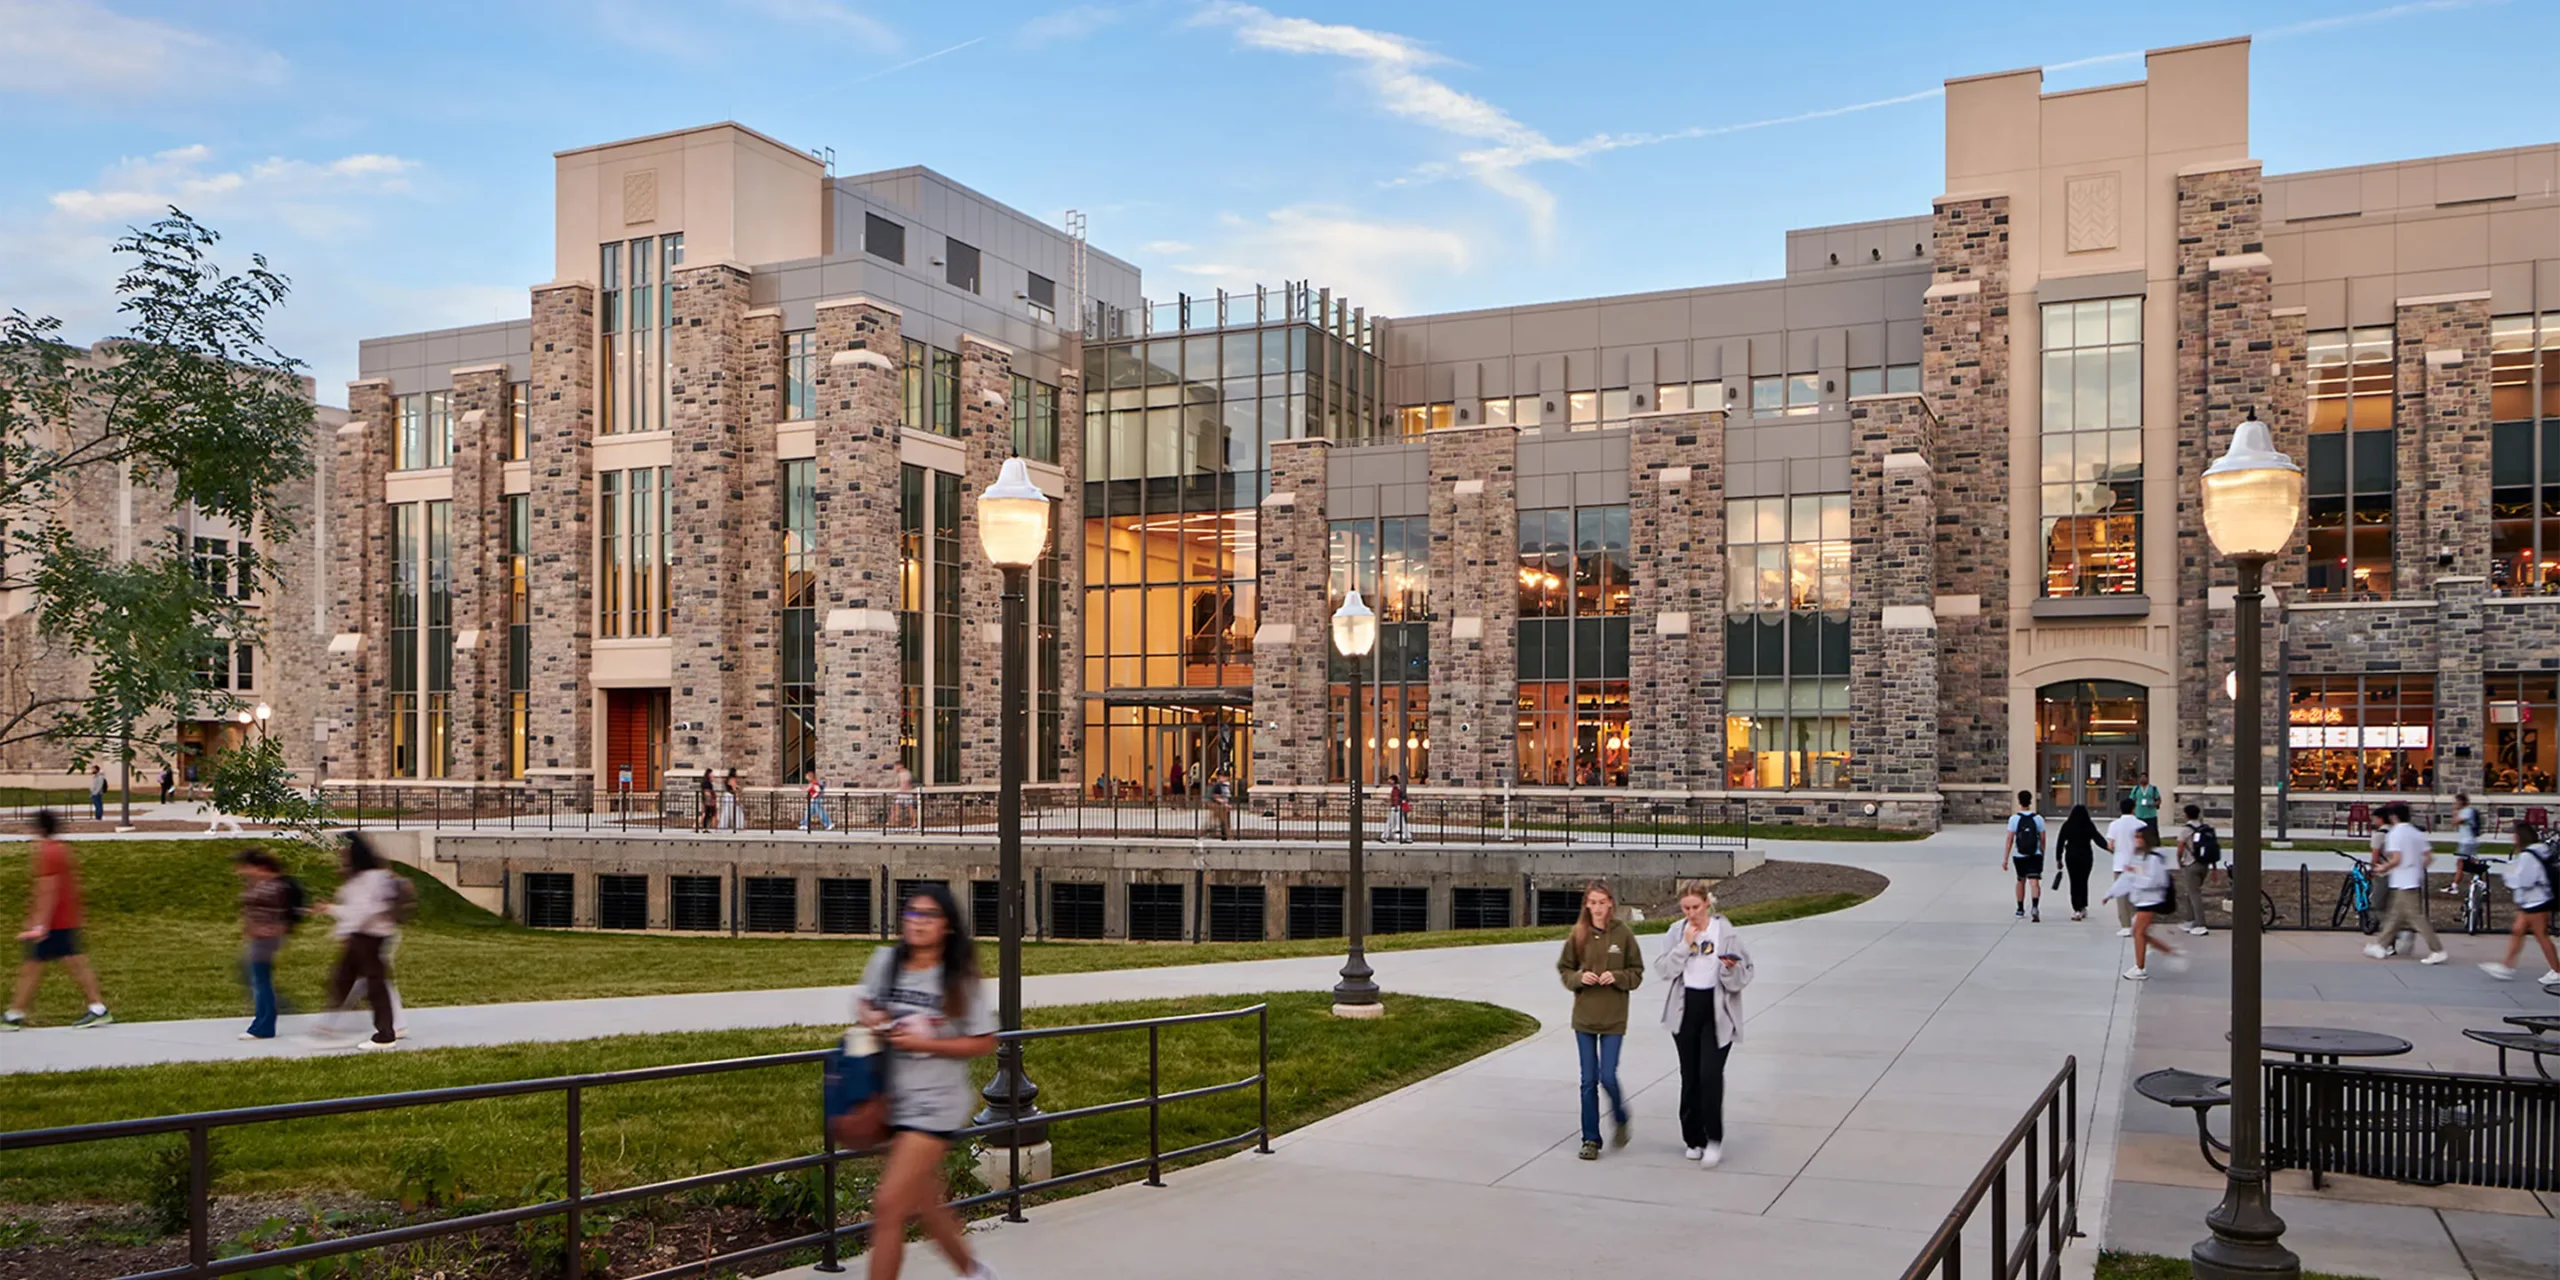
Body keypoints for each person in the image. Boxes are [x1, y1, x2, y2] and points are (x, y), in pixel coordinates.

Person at [852, 883, 999, 1280]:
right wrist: (873, 1018)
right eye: (911, 913)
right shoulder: (888, 963)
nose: (916, 922)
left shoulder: (958, 980)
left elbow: (985, 1042)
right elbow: (865, 1001)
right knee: (928, 1207)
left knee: (887, 1206)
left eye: (928, 915)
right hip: (891, 1101)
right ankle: (976, 1273)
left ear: (947, 926)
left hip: (936, 1106)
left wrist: (925, 1042)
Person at [1653, 880, 1753, 1167]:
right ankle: (1692, 1138)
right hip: (1685, 1010)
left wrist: (1728, 969)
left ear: (1707, 903)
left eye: (1695, 907)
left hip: (1717, 1011)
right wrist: (1685, 945)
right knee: (1690, 1076)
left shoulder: (1727, 933)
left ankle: (1714, 1139)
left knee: (1710, 1075)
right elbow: (1664, 969)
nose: (1691, 913)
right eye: (1685, 908)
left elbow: (1745, 974)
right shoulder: (1676, 932)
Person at [1555, 880, 1641, 1160]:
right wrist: (1579, 978)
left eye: (1602, 902)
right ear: (1587, 905)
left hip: (1614, 1017)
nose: (1598, 908)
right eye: (1592, 902)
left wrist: (1617, 978)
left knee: (1607, 1077)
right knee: (1588, 1081)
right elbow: (1565, 969)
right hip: (1584, 1018)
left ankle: (1620, 1116)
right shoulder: (1578, 934)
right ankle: (1590, 1139)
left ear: (1611, 903)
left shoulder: (1623, 935)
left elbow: (1636, 973)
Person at [3, 811, 111, 1030]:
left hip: (54, 923)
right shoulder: (60, 849)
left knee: (34, 967)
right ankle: (98, 1008)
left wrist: (39, 925)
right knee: (72, 963)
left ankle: (13, 1015)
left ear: (40, 830)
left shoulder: (47, 853)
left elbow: (48, 890)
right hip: (64, 919)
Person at [309, 833, 402, 1048]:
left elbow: (364, 911)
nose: (341, 856)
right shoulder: (368, 877)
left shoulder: (369, 879)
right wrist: (331, 910)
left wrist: (346, 932)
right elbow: (356, 910)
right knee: (344, 978)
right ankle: (327, 1023)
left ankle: (386, 1035)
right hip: (366, 935)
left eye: (344, 852)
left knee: (373, 983)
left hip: (369, 937)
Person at [2365, 802, 2447, 964]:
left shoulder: (2396, 834)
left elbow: (2397, 858)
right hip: (2412, 879)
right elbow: (2429, 857)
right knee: (2395, 915)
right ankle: (2381, 945)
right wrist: (2416, 868)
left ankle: (2437, 949)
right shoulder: (2416, 833)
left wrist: (2383, 867)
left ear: (2394, 817)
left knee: (2416, 917)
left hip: (2402, 880)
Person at [2480, 820, 2560, 983]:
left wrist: (2508, 877)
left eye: (2514, 835)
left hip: (2535, 901)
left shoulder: (2527, 856)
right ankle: (2507, 966)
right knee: (2518, 931)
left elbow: (2524, 881)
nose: (2512, 838)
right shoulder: (2536, 853)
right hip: (2533, 900)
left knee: (2541, 935)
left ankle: (2557, 970)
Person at [234, 848, 293, 1040]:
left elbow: (258, 904)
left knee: (261, 982)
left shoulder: (271, 886)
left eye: (247, 867)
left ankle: (264, 1025)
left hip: (265, 938)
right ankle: (262, 1021)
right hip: (260, 937)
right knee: (259, 980)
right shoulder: (264, 884)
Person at [2122, 825, 2186, 981]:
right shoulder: (2142, 856)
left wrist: (2136, 875)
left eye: (2139, 837)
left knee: (2138, 932)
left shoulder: (2153, 858)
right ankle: (2169, 952)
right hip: (2143, 899)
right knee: (2140, 932)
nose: (2136, 840)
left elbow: (2156, 880)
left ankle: (2140, 967)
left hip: (2150, 900)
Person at [2103, 796, 2147, 937]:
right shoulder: (2141, 824)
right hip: (2137, 864)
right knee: (2137, 894)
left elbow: (2110, 845)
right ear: (2134, 808)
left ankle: (2125, 925)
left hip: (2120, 864)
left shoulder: (2114, 825)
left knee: (2121, 896)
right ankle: (2137, 921)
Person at [2000, 790, 2045, 922]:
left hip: (2019, 855)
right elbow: (2042, 839)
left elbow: (2010, 839)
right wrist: (2042, 852)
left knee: (2021, 880)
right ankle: (2035, 907)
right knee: (2034, 881)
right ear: (2031, 801)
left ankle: (2020, 908)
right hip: (2034, 854)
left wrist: (2006, 858)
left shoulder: (2014, 819)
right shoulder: (2038, 819)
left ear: (2019, 801)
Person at [2053, 803, 2100, 921]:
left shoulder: (2067, 825)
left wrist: (2058, 858)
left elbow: (2060, 842)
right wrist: (2110, 848)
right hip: (2086, 857)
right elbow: (2098, 838)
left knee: (2074, 882)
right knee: (2083, 881)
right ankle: (2083, 905)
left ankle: (2076, 908)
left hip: (2071, 857)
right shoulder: (2088, 825)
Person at [2171, 805, 2213, 937]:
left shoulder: (2185, 830)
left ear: (2186, 815)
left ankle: (2201, 924)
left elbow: (2180, 848)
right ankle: (2190, 920)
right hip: (2204, 864)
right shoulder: (2205, 828)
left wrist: (2179, 861)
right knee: (2191, 892)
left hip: (2191, 864)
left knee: (2194, 894)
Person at [2447, 793, 2485, 898]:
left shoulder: (2466, 812)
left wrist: (2455, 811)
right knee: (2471, 864)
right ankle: (2480, 884)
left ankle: (2454, 886)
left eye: (2455, 802)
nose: (2453, 804)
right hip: (2468, 842)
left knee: (2461, 864)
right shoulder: (2466, 811)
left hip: (2467, 842)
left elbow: (2456, 822)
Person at [1206, 770, 1234, 840]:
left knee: (1221, 820)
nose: (1225, 778)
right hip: (1218, 805)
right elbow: (1216, 797)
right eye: (1223, 777)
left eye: (1226, 777)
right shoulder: (1218, 785)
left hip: (1223, 805)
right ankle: (1229, 837)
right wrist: (1225, 803)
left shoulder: (1226, 786)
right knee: (1225, 821)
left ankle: (1222, 835)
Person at [1385, 774, 1413, 844]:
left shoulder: (1396, 789)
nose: (1389, 781)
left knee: (1391, 822)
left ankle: (1385, 836)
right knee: (1400, 822)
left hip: (1396, 807)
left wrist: (1396, 805)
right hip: (1396, 807)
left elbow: (1397, 798)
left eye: (1390, 780)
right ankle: (1408, 837)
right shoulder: (1396, 788)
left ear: (1393, 781)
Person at [892, 763, 919, 830]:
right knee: (896, 807)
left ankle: (913, 822)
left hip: (905, 793)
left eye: (896, 766)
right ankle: (895, 821)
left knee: (909, 808)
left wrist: (902, 789)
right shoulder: (904, 773)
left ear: (900, 765)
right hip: (903, 793)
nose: (895, 768)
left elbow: (906, 783)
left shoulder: (905, 773)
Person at [721, 768, 746, 832]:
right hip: (730, 796)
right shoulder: (732, 779)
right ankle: (739, 826)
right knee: (737, 812)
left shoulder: (728, 780)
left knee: (728, 812)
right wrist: (736, 791)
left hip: (728, 796)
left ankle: (725, 826)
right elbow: (734, 788)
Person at [696, 768, 716, 833]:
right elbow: (707, 792)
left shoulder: (707, 782)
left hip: (707, 801)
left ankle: (703, 827)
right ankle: (702, 827)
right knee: (706, 814)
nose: (713, 775)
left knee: (706, 814)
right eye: (711, 773)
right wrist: (710, 800)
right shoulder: (706, 783)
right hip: (707, 801)